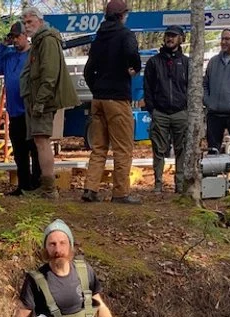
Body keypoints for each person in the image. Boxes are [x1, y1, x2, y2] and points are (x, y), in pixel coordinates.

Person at [82, 0, 141, 204]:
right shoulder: (125, 34)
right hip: (117, 99)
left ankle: (90, 189)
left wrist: (97, 90)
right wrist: (135, 68)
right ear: (122, 15)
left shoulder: (99, 38)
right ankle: (121, 193)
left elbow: (88, 71)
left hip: (98, 99)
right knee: (123, 147)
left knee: (98, 147)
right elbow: (133, 55)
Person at [19, 6, 79, 199]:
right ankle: (46, 187)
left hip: (43, 101)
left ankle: (49, 189)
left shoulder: (47, 40)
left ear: (40, 21)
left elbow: (49, 75)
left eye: (30, 22)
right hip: (37, 100)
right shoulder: (39, 41)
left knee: (42, 142)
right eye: (25, 23)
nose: (27, 26)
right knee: (39, 141)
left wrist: (39, 102)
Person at [0, 20, 41, 196]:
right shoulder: (8, 55)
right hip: (15, 111)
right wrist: (2, 46)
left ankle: (37, 184)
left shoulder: (34, 53)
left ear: (26, 36)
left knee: (35, 148)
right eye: (13, 37)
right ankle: (23, 185)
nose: (16, 40)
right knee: (19, 150)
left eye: (18, 37)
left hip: (31, 110)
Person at [144, 26, 189, 194]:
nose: (170, 38)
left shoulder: (186, 62)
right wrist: (152, 109)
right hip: (160, 113)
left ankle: (180, 184)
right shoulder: (154, 62)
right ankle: (157, 184)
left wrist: (189, 110)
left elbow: (192, 87)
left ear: (181, 39)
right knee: (158, 150)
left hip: (180, 113)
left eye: (174, 36)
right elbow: (147, 88)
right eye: (168, 35)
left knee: (182, 149)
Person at [203, 28, 230, 186]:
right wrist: (208, 101)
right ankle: (212, 182)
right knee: (213, 148)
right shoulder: (214, 61)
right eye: (222, 38)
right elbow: (205, 84)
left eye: (227, 39)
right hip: (214, 112)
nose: (223, 42)